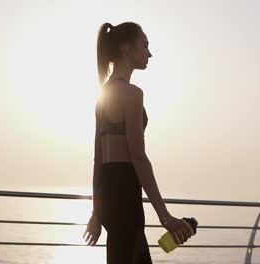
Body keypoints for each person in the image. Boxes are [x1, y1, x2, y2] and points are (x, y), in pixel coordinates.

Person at [82, 22, 192, 263]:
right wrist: (165, 216)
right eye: (145, 45)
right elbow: (138, 157)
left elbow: (98, 160)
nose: (150, 53)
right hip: (125, 192)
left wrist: (97, 213)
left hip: (109, 194)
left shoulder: (102, 95)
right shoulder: (132, 94)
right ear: (126, 49)